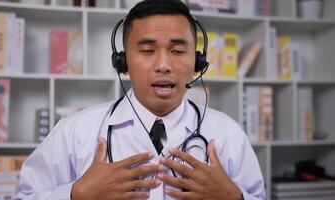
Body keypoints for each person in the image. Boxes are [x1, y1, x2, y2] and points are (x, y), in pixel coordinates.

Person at [15, 0, 266, 199]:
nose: (164, 65)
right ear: (123, 63)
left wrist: (234, 198)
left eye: (178, 51)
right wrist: (75, 195)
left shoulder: (228, 135)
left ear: (198, 62)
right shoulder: (74, 132)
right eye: (147, 51)